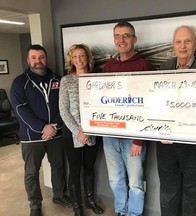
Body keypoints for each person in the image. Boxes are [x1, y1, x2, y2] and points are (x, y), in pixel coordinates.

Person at [156, 25, 196, 216]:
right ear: (173, 45)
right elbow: (154, 105)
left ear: (195, 44)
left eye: (187, 41)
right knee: (168, 192)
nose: (183, 46)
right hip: (167, 143)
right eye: (178, 42)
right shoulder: (163, 68)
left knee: (193, 193)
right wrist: (157, 129)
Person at [10, 44, 72, 216]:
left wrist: (55, 126)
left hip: (56, 133)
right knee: (31, 172)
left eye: (41, 57)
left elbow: (64, 106)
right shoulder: (19, 82)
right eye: (34, 57)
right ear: (28, 59)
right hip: (32, 137)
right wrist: (42, 127)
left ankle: (59, 195)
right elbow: (20, 109)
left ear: (46, 58)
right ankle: (35, 205)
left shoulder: (58, 79)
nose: (38, 61)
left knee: (58, 166)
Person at [102, 21, 154, 216]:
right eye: (117, 36)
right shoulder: (108, 66)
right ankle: (121, 211)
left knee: (135, 182)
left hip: (134, 138)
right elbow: (102, 102)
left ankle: (134, 213)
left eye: (126, 35)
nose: (121, 40)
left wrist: (139, 140)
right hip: (110, 137)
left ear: (134, 39)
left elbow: (149, 104)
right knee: (115, 179)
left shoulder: (144, 65)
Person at [59, 44, 104, 216]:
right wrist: (79, 132)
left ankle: (90, 200)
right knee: (75, 169)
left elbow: (100, 107)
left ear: (88, 58)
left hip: (92, 133)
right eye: (75, 56)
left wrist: (89, 131)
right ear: (71, 60)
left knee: (89, 167)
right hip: (72, 135)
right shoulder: (66, 81)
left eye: (82, 56)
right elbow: (63, 110)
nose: (79, 60)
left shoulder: (96, 80)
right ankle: (77, 206)